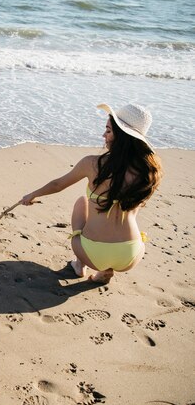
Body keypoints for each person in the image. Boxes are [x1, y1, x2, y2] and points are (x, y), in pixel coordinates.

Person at [20, 104, 162, 283]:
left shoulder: (93, 164)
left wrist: (33, 194)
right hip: (131, 254)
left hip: (92, 254)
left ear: (122, 137)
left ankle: (80, 265)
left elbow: (58, 185)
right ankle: (104, 272)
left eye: (108, 131)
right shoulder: (149, 172)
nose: (104, 135)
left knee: (82, 202)